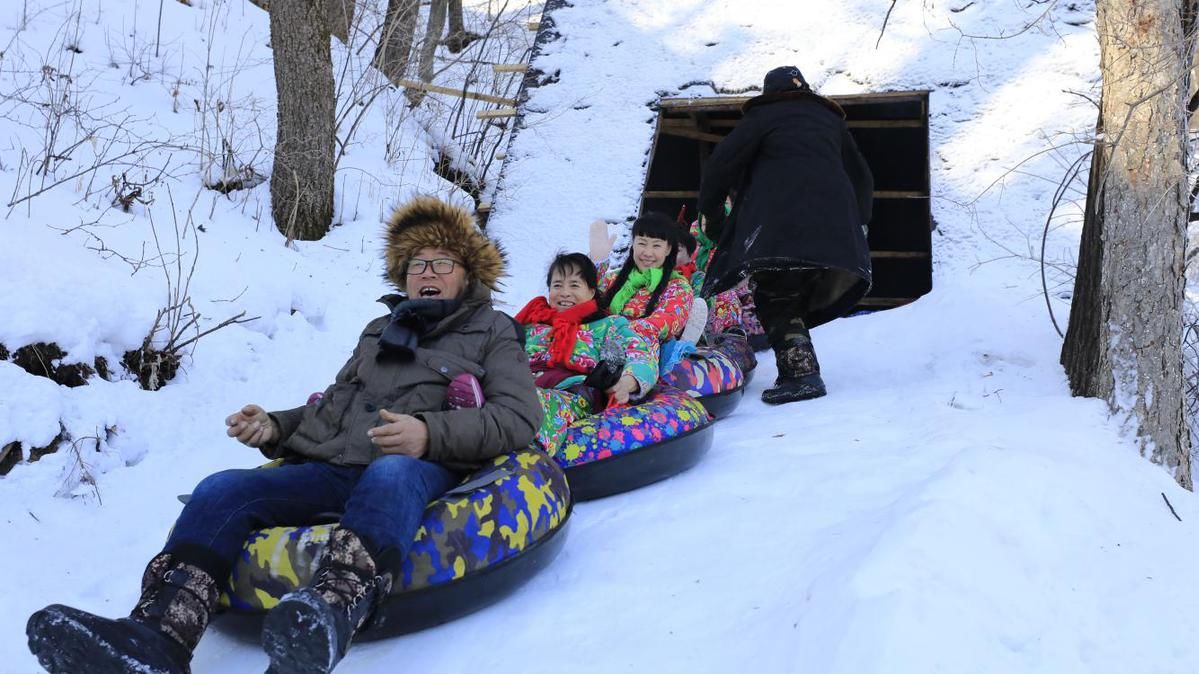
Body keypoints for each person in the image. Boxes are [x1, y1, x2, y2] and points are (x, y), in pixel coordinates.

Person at [25, 197, 541, 674]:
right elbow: (335, 403)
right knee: (222, 488)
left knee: (391, 473)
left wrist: (428, 433)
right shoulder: (377, 331)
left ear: (467, 273)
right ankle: (156, 636)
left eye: (441, 263)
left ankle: (329, 616)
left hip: (420, 468)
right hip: (336, 469)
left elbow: (520, 418)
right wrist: (276, 426)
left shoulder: (492, 329)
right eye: (416, 265)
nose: (427, 273)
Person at [698, 65, 874, 405]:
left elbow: (722, 163)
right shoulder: (830, 122)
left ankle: (801, 375)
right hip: (832, 230)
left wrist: (713, 215)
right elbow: (862, 175)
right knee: (792, 292)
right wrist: (859, 223)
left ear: (768, 93)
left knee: (776, 294)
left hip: (779, 225)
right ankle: (799, 368)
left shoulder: (763, 116)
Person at [511, 252, 659, 453]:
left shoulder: (608, 326)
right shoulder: (531, 324)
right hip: (520, 383)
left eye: (574, 285)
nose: (564, 292)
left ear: (591, 291)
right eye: (557, 285)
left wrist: (626, 383)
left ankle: (520, 456)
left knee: (532, 402)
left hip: (570, 393)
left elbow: (640, 354)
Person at [596, 212, 695, 347]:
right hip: (596, 346)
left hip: (640, 354)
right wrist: (596, 263)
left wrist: (615, 333)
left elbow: (665, 322)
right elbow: (583, 300)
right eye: (642, 243)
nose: (648, 253)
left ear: (668, 249)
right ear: (633, 245)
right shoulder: (612, 279)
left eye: (656, 246)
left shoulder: (678, 288)